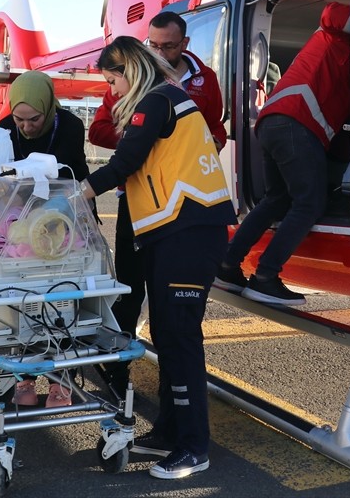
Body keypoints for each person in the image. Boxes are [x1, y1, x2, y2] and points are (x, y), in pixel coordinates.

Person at [80, 37, 234, 480]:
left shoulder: (157, 101)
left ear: (128, 70)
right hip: (176, 232)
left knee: (179, 337)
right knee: (167, 336)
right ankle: (170, 431)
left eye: (112, 81)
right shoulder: (166, 98)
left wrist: (74, 195)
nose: (111, 91)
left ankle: (193, 446)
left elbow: (124, 163)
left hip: (189, 232)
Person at [88, 11, 226, 395]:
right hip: (142, 203)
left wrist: (196, 141)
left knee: (173, 321)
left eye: (169, 45)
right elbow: (100, 130)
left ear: (185, 44)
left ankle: (178, 407)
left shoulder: (197, 82)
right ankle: (118, 373)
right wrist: (140, 138)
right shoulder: (136, 88)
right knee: (131, 291)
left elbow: (213, 126)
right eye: (154, 45)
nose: (161, 51)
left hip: (179, 213)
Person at [215, 2, 350, 306]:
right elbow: (332, 12)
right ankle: (265, 277)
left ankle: (226, 265)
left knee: (276, 200)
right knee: (309, 204)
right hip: (295, 123)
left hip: (275, 121)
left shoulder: (344, 56)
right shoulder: (335, 34)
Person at [0, 70, 91, 408]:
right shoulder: (5, 128)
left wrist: (49, 209)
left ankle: (60, 380)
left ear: (48, 107)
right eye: (19, 119)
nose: (26, 127)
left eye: (34, 119)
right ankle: (23, 377)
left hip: (65, 218)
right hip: (21, 223)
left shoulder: (70, 126)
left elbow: (65, 174)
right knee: (20, 300)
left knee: (61, 300)